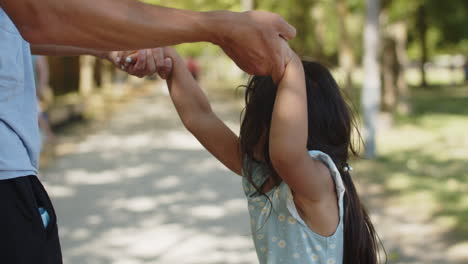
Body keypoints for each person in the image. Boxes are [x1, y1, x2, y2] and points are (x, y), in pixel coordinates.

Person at [0, 1, 295, 263]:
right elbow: (35, 14)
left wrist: (122, 46)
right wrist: (211, 33)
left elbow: (24, 21)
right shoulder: (285, 178)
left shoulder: (309, 180)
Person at [159, 45, 384, 264]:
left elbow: (286, 154)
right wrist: (170, 60)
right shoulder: (262, 175)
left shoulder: (319, 183)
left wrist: (289, 63)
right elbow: (199, 117)